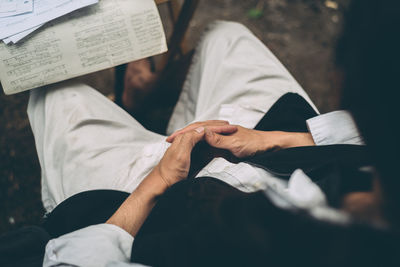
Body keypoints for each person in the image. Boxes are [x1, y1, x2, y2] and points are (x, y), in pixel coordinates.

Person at [19, 0, 398, 266]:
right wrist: (276, 139)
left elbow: (82, 259)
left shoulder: (252, 242)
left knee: (56, 96)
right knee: (225, 35)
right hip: (284, 154)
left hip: (157, 208)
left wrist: (158, 182)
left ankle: (142, 123)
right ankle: (149, 92)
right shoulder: (369, 200)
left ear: (342, 85)